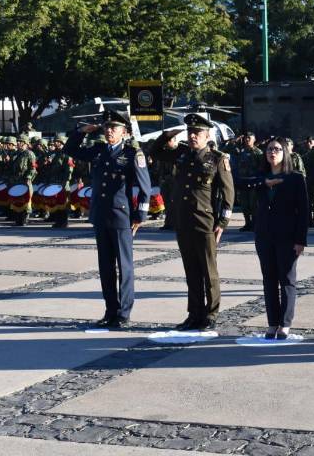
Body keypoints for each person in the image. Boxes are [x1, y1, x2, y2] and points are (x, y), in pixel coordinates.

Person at [64, 110, 151, 328]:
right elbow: (70, 149)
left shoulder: (132, 154)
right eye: (107, 127)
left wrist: (140, 216)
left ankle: (123, 313)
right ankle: (110, 310)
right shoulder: (99, 150)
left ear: (124, 131)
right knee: (105, 267)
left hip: (122, 216)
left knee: (125, 267)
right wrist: (81, 131)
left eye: (114, 128)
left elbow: (145, 188)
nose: (109, 131)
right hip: (101, 215)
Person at [151, 114, 235, 330]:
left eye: (197, 133)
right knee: (191, 270)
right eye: (190, 132)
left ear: (207, 136)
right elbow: (155, 152)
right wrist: (167, 135)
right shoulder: (181, 154)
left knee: (209, 271)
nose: (192, 136)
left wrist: (223, 223)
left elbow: (228, 194)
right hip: (183, 219)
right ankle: (194, 313)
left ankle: (211, 314)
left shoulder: (217, 158)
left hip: (205, 221)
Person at [236, 137, 309, 339]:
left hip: (288, 236)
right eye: (269, 149)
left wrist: (301, 240)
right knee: (269, 280)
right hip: (264, 235)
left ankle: (284, 324)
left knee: (287, 279)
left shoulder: (295, 178)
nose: (272, 152)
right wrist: (264, 182)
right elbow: (239, 182)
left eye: (277, 149)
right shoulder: (261, 177)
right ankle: (272, 323)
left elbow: (304, 211)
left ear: (285, 153)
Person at [6, 135, 37, 226]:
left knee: (25, 201)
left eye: (21, 142)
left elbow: (33, 168)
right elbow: (11, 168)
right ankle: (18, 220)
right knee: (16, 200)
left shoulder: (29, 153)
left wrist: (28, 177)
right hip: (15, 180)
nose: (18, 143)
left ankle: (24, 219)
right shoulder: (15, 154)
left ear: (25, 143)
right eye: (18, 141)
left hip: (24, 180)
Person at [235, 131, 263, 232]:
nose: (247, 140)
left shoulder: (258, 152)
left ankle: (255, 224)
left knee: (253, 204)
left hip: (253, 182)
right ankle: (248, 224)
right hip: (243, 182)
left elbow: (262, 167)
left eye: (249, 138)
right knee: (244, 204)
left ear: (254, 139)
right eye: (246, 138)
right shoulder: (241, 152)